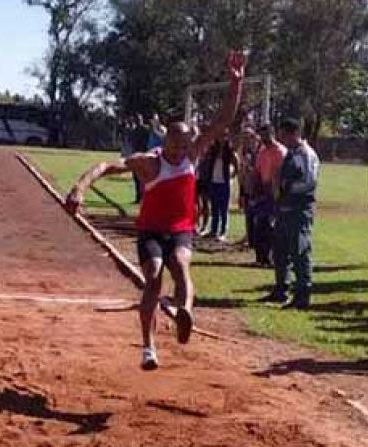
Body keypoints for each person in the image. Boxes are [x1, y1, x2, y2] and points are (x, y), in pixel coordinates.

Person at [65, 51, 245, 370]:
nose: (182, 150)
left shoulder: (194, 154)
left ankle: (183, 312)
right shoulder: (150, 162)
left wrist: (236, 82)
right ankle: (148, 347)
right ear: (167, 140)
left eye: (188, 144)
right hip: (150, 228)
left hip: (180, 228)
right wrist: (80, 187)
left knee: (179, 264)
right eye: (177, 144)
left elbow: (223, 121)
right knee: (154, 274)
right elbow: (107, 165)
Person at [260, 118, 320, 309]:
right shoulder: (291, 153)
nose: (281, 138)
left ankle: (302, 294)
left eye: (283, 134)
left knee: (299, 251)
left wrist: (284, 187)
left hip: (299, 210)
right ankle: (281, 289)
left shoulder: (307, 154)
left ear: (293, 133)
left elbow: (310, 182)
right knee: (280, 252)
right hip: (284, 209)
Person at [251, 124, 287, 265]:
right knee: (259, 225)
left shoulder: (280, 151)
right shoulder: (262, 152)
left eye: (266, 134)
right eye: (261, 135)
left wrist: (276, 193)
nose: (263, 138)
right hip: (263, 192)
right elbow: (257, 172)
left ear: (272, 133)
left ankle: (272, 256)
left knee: (272, 226)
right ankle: (261, 257)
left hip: (275, 192)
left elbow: (281, 175)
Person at [205, 135, 239, 242]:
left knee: (223, 209)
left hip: (224, 183)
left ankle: (223, 231)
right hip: (213, 182)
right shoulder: (213, 150)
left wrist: (233, 174)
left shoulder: (229, 151)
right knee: (214, 208)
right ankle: (213, 230)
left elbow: (236, 161)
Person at [129, 113, 150, 203]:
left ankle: (144, 197)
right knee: (136, 178)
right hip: (135, 154)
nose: (137, 121)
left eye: (139, 119)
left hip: (143, 154)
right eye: (136, 119)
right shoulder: (134, 130)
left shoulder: (145, 129)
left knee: (143, 178)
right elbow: (131, 141)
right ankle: (138, 197)